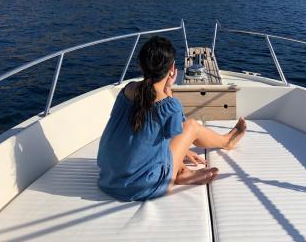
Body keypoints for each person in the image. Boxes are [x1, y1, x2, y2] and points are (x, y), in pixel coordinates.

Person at [97, 36, 246, 201]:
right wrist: (168, 88)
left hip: (109, 178)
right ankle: (226, 142)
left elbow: (148, 135)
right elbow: (177, 135)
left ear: (141, 65)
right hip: (145, 186)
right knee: (192, 126)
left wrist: (183, 149)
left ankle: (180, 172)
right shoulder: (169, 105)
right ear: (172, 68)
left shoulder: (127, 89)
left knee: (178, 135)